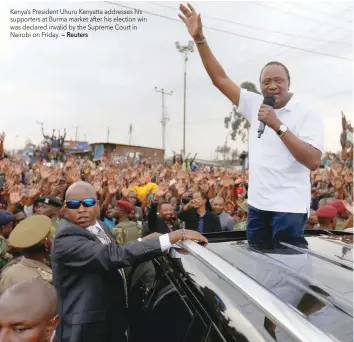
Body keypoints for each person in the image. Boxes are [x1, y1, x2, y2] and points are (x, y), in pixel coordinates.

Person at [178, 3, 323, 248]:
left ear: (289, 83)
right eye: (266, 82)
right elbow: (220, 79)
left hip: (288, 209)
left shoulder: (305, 111)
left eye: (278, 81)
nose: (272, 86)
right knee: (259, 268)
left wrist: (278, 126)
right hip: (257, 207)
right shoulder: (254, 103)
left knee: (288, 274)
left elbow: (313, 161)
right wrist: (200, 40)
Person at [51, 181, 207, 342]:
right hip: (85, 330)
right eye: (74, 205)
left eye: (88, 203)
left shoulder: (100, 226)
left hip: (111, 321)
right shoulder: (66, 238)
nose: (81, 209)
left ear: (97, 204)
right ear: (65, 207)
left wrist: (143, 241)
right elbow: (112, 256)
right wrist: (173, 236)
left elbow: (115, 253)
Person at [0, 215, 53, 294]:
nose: (52, 241)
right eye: (50, 238)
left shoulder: (9, 273)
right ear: (46, 244)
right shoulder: (45, 278)